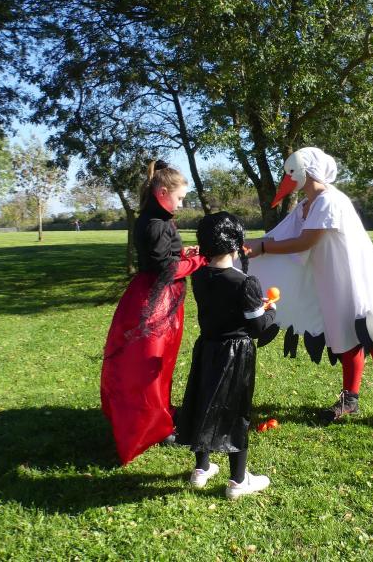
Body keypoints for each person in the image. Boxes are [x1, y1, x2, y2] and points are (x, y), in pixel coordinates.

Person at [245, 147, 373, 431]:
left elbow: (305, 242)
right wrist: (246, 248)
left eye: (291, 172)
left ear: (305, 171)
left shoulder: (329, 200)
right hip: (332, 281)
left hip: (359, 279)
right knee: (344, 336)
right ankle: (350, 399)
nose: (287, 178)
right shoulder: (305, 205)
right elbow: (282, 236)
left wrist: (263, 247)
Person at [101, 160, 207, 465]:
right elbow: (166, 268)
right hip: (154, 302)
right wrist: (201, 260)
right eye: (180, 198)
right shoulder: (155, 223)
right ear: (162, 192)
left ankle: (161, 417)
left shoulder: (157, 219)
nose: (182, 204)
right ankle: (152, 426)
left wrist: (185, 253)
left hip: (158, 299)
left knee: (161, 363)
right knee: (149, 366)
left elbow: (165, 256)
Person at [176, 212, 277, 499]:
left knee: (203, 402)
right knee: (236, 411)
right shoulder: (245, 282)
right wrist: (270, 311)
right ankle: (238, 481)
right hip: (236, 354)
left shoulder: (199, 276)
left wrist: (254, 305)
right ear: (236, 244)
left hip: (207, 348)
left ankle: (201, 469)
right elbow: (257, 327)